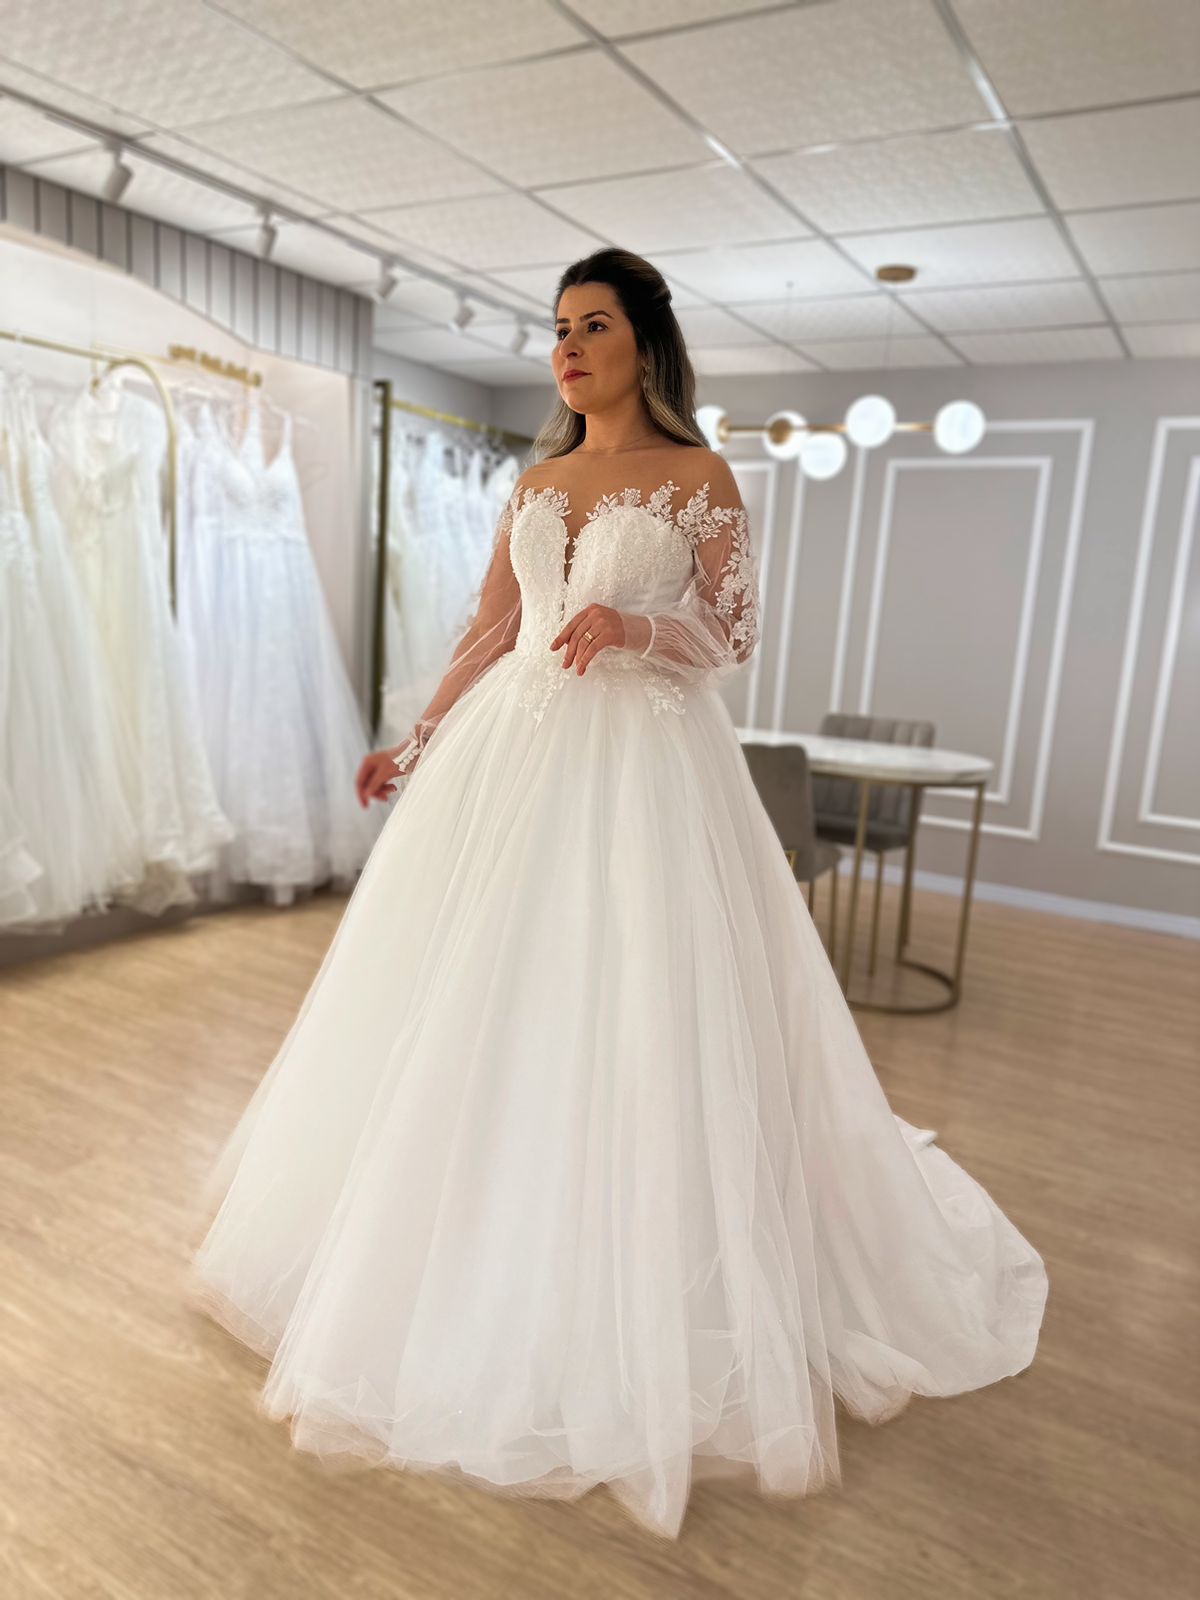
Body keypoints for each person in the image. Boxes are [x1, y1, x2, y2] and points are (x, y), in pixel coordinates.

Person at [188, 248, 1048, 1542]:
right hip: (514, 760)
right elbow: (492, 630)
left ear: (645, 342)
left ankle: (641, 1264)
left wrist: (637, 629)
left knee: (632, 1002)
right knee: (477, 999)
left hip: (646, 764)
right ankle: (457, 1243)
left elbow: (733, 636)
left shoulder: (699, 476)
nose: (569, 349)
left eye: (593, 326)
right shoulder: (535, 482)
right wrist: (413, 742)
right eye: (557, 329)